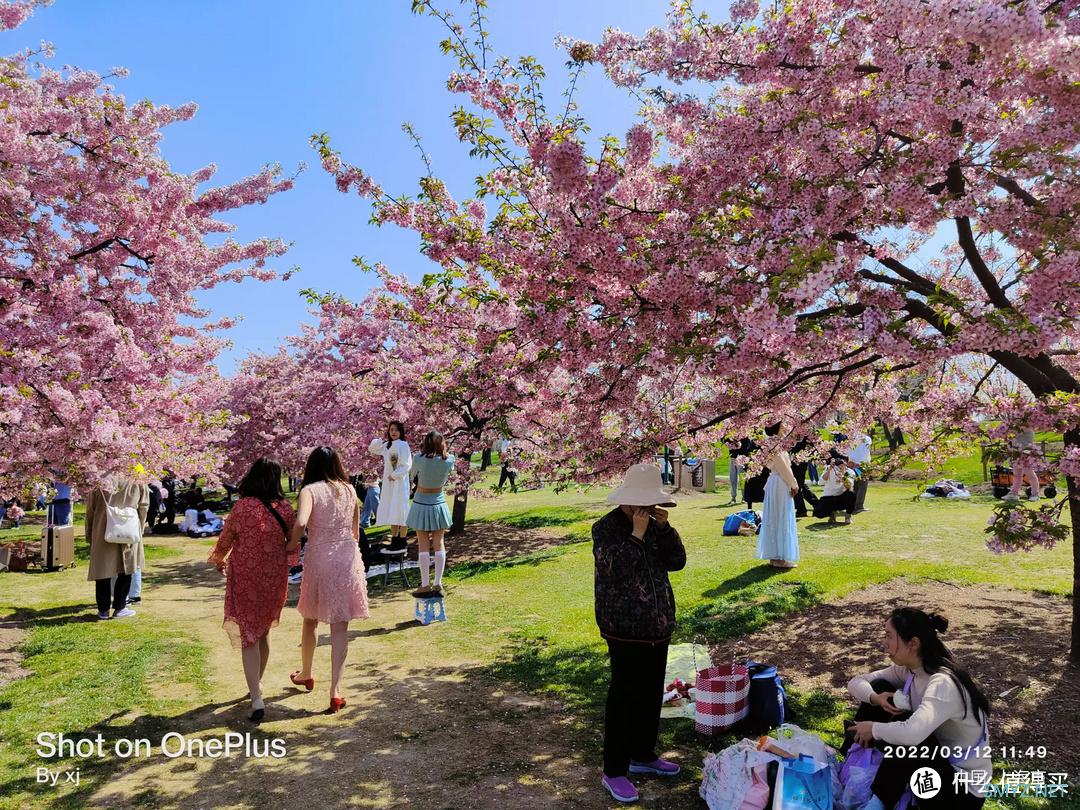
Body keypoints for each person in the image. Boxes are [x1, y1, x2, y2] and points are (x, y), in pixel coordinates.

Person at [593, 463, 686, 804]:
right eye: (641, 503)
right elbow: (614, 569)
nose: (645, 509)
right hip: (623, 627)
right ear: (628, 500)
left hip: (657, 624)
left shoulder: (656, 526)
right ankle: (614, 770)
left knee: (650, 693)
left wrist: (663, 530)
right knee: (624, 697)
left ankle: (643, 754)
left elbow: (677, 561)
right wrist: (635, 533)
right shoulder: (605, 529)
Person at [847, 608, 991, 809]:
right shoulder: (910, 669)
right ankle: (851, 767)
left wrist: (873, 728)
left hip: (962, 791)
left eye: (889, 636)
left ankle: (877, 804)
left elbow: (913, 735)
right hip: (934, 764)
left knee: (907, 732)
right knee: (880, 688)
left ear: (913, 643)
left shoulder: (942, 683)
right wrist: (875, 698)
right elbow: (856, 682)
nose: (884, 643)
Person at [208, 458, 297, 723]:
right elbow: (293, 542)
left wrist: (219, 560)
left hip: (245, 575)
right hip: (273, 576)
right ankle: (255, 685)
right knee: (264, 629)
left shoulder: (242, 507)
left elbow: (226, 540)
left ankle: (256, 696)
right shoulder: (284, 508)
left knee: (249, 634)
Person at [290, 446, 369, 714]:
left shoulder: (309, 491)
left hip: (320, 557)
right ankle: (336, 690)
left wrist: (290, 544)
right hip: (347, 557)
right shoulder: (349, 490)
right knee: (340, 627)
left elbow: (301, 522)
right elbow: (356, 531)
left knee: (310, 618)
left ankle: (307, 672)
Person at [85, 476, 149, 620]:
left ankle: (103, 610)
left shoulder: (99, 478)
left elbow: (90, 509)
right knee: (126, 568)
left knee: (103, 571)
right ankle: (120, 607)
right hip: (130, 527)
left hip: (102, 527)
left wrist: (89, 533)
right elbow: (144, 506)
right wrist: (140, 528)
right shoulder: (137, 477)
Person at [407, 431, 455, 598]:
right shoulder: (449, 460)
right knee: (439, 542)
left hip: (421, 501)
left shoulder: (418, 459)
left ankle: (425, 584)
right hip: (439, 501)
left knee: (423, 544)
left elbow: (412, 476)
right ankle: (438, 583)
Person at [755, 424, 799, 568]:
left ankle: (775, 556)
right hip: (780, 482)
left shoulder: (771, 444)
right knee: (781, 517)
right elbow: (783, 468)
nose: (786, 427)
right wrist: (794, 484)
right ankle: (780, 557)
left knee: (774, 517)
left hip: (775, 482)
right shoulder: (775, 445)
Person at [368, 421, 412, 547]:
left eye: (396, 430)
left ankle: (402, 540)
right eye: (391, 429)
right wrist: (380, 438)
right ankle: (394, 539)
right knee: (393, 510)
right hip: (389, 484)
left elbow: (407, 464)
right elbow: (372, 448)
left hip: (399, 483)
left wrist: (394, 475)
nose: (393, 432)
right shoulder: (387, 445)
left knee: (401, 509)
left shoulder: (403, 445)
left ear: (401, 432)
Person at [802, 453, 855, 520]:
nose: (840, 464)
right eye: (838, 461)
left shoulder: (850, 472)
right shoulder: (829, 468)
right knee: (818, 513)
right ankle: (831, 513)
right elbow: (820, 483)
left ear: (846, 463)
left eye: (842, 462)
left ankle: (848, 515)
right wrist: (829, 470)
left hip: (842, 497)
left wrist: (843, 475)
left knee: (851, 494)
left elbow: (849, 486)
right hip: (829, 497)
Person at [1003, 429, 1040, 502]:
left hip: (1025, 453)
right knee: (1017, 475)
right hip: (1016, 454)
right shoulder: (1016, 427)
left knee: (1030, 474)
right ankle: (1014, 494)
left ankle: (1035, 494)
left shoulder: (1027, 428)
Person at [845, 432, 873, 513]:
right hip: (861, 466)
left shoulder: (851, 438)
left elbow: (849, 451)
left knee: (855, 484)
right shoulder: (867, 439)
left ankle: (853, 504)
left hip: (852, 465)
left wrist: (851, 461)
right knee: (862, 485)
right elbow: (864, 453)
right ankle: (859, 505)